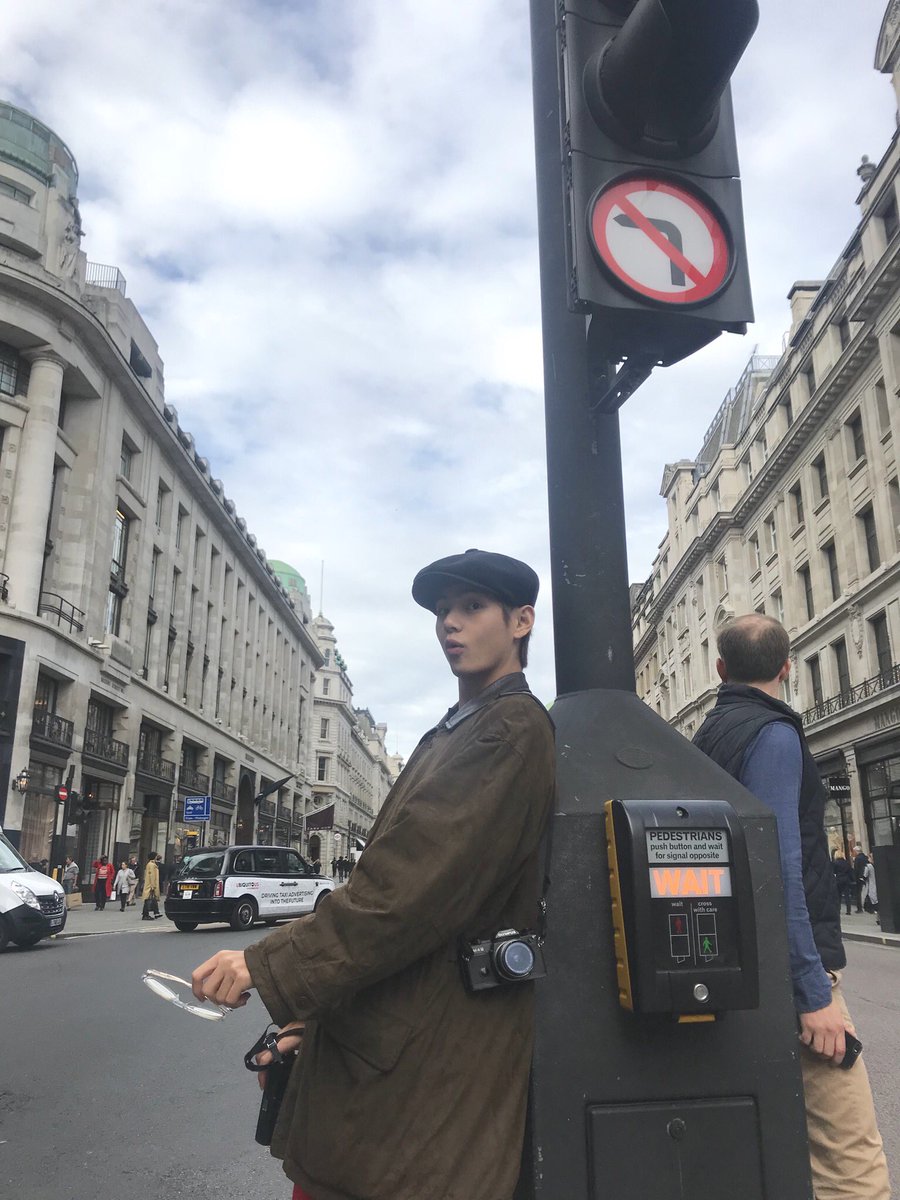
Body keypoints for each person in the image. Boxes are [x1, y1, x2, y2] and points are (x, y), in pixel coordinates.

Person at [192, 549, 556, 1200]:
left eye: (472, 607)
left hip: (423, 1082)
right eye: (444, 610)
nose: (451, 622)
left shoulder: (508, 730)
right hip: (394, 1053)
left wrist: (266, 965)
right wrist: (312, 1013)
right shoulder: (462, 727)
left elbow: (401, 896)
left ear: (522, 621)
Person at [693, 614, 889, 1199]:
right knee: (851, 1162)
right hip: (790, 978)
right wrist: (814, 992)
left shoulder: (710, 735)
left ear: (721, 670)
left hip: (734, 969)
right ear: (787, 667)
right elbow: (779, 868)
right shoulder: (772, 736)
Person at [832, 850, 854, 917]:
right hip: (846, 879)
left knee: (838, 896)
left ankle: (838, 909)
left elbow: (833, 871)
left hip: (838, 879)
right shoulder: (846, 862)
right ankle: (848, 910)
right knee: (847, 895)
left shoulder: (835, 863)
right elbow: (850, 871)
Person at [141, 852, 161, 920]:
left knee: (151, 899)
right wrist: (153, 886)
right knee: (148, 900)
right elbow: (152, 875)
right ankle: (145, 914)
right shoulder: (152, 865)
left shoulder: (151, 864)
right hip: (150, 885)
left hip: (150, 884)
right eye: (156, 856)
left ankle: (156, 913)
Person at [853, 844, 870, 914]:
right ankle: (868, 906)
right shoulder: (866, 857)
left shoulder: (857, 858)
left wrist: (855, 878)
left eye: (854, 851)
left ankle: (859, 908)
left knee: (858, 893)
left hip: (859, 878)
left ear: (857, 851)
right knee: (867, 891)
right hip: (866, 876)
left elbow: (856, 869)